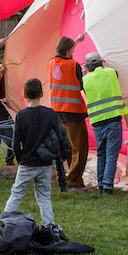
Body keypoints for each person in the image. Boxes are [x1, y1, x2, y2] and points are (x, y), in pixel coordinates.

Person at [3, 77, 70, 228]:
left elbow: (16, 143)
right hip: (45, 163)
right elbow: (60, 137)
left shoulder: (21, 115)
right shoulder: (50, 114)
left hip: (27, 162)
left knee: (17, 194)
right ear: (42, 93)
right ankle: (49, 225)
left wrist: (20, 159)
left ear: (24, 95)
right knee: (44, 197)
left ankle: (3, 223)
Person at [82, 53, 128, 195]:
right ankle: (108, 186)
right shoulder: (110, 73)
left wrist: (85, 71)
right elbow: (114, 71)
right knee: (111, 155)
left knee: (101, 154)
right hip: (113, 120)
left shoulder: (85, 80)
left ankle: (101, 184)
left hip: (97, 123)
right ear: (102, 63)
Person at [48, 34, 90, 190]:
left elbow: (63, 59)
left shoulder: (52, 63)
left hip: (57, 113)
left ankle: (75, 179)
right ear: (69, 50)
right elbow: (82, 84)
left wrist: (76, 42)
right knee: (80, 148)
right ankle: (73, 181)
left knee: (69, 147)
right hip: (73, 112)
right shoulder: (74, 65)